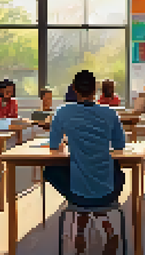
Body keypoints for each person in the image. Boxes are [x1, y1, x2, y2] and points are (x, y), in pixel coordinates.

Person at [44, 70, 126, 255]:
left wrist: (69, 141)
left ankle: (80, 231)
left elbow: (53, 145)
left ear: (74, 89)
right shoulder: (110, 113)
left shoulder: (63, 112)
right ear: (95, 90)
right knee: (112, 171)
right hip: (108, 193)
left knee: (51, 171)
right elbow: (120, 145)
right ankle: (107, 230)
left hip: (77, 194)